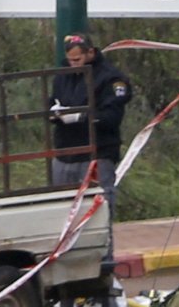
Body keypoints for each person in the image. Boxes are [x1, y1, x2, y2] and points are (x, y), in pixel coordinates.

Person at [49, 35, 134, 197]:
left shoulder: (111, 78)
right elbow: (52, 100)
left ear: (90, 52)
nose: (73, 63)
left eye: (77, 59)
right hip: (64, 153)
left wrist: (81, 117)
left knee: (99, 204)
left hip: (98, 154)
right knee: (60, 207)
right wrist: (53, 112)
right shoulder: (63, 74)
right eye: (70, 60)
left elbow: (112, 117)